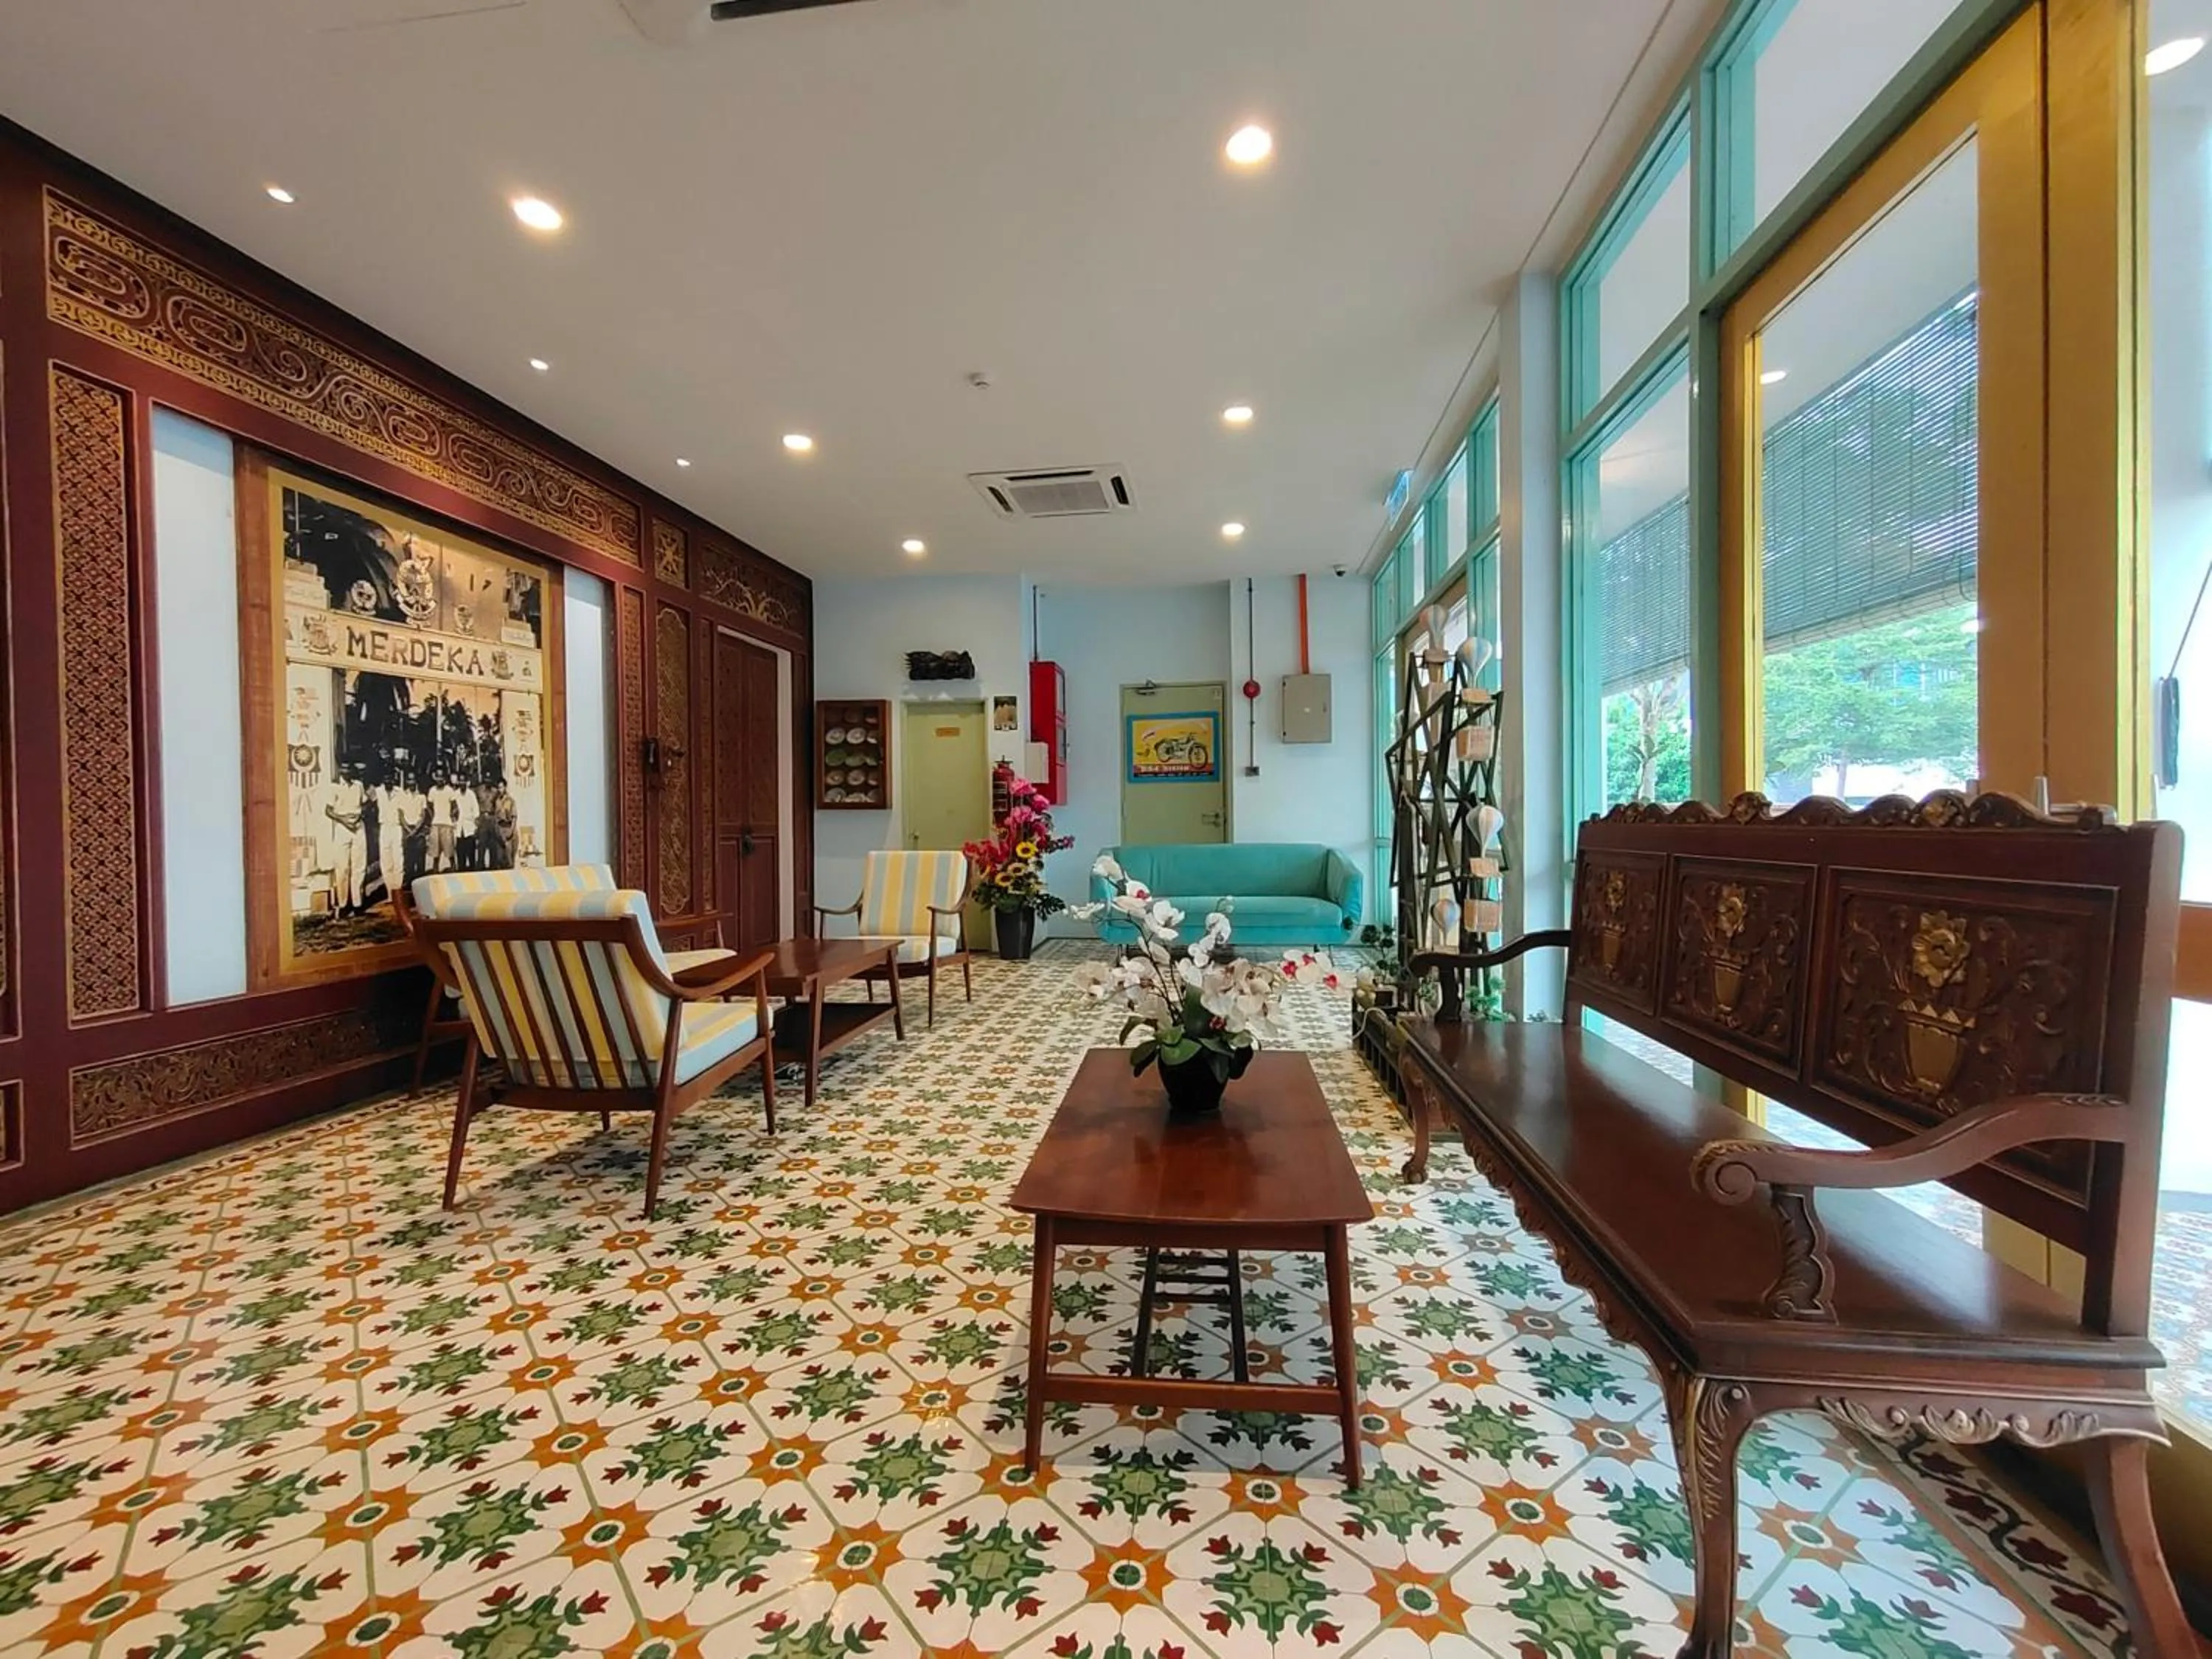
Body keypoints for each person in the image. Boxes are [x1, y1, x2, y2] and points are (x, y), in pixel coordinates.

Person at [323, 769, 367, 917]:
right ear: (341, 770)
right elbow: (328, 811)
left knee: (359, 866)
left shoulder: (358, 785)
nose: (347, 771)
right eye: (344, 768)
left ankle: (358, 903)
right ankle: (343, 904)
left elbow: (365, 803)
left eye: (349, 767)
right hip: (343, 828)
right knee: (342, 867)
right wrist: (344, 820)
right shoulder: (334, 787)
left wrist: (360, 816)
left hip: (358, 826)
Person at [375, 772, 410, 905]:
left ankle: (398, 892)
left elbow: (403, 812)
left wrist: (405, 829)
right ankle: (390, 893)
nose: (388, 781)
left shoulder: (399, 792)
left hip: (396, 827)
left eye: (390, 779)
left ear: (394, 780)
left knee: (398, 861)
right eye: (386, 779)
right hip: (384, 828)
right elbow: (368, 804)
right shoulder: (378, 792)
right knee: (386, 862)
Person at [427, 773, 459, 874]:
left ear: (444, 779)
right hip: (436, 823)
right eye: (438, 778)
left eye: (441, 778)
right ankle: (435, 868)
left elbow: (455, 806)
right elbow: (429, 806)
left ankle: (453, 867)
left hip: (447, 823)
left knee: (449, 848)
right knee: (435, 849)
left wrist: (452, 815)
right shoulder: (432, 790)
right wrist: (432, 816)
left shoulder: (449, 790)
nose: (439, 780)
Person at [456, 779, 482, 872]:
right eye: (460, 782)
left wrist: (476, 827)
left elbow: (476, 812)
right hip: (459, 829)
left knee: (471, 857)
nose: (462, 784)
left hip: (470, 829)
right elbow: (452, 810)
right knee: (461, 858)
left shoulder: (471, 795)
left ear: (467, 783)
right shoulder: (455, 794)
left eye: (464, 782)